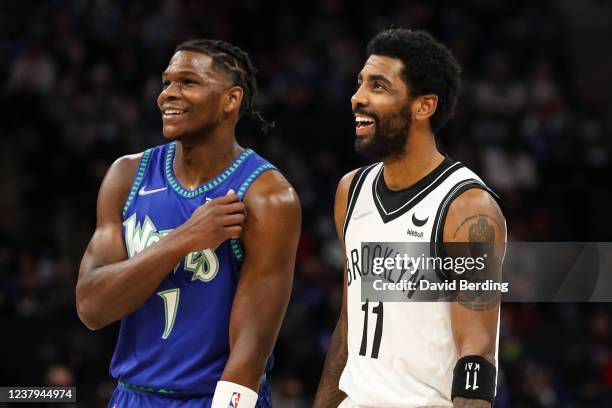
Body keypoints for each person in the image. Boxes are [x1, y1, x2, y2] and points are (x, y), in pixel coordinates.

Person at [76, 39, 301, 408]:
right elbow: (91, 307)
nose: (168, 94)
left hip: (213, 398)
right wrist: (183, 239)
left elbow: (251, 350)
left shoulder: (267, 195)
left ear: (231, 100)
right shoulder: (126, 176)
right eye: (166, 82)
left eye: (188, 83)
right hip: (132, 395)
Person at [314, 29, 506, 408]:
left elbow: (477, 352)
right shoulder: (350, 192)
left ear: (424, 106)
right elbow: (349, 325)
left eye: (379, 86)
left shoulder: (468, 208)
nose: (358, 98)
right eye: (360, 83)